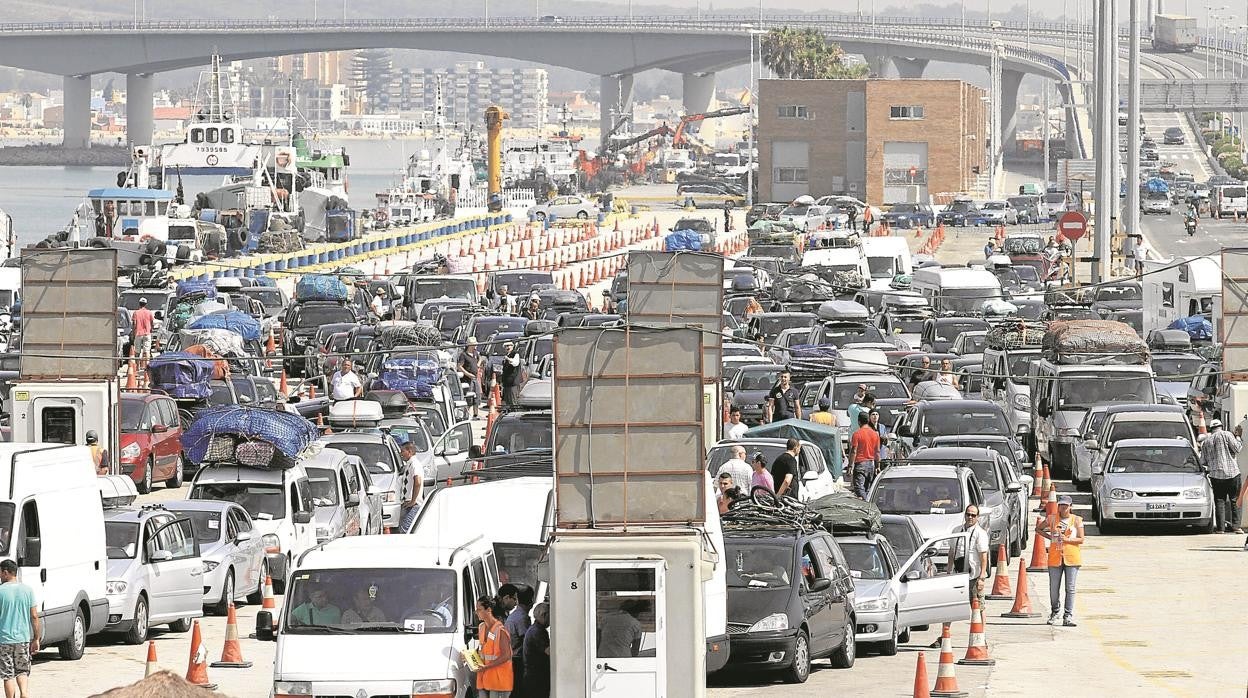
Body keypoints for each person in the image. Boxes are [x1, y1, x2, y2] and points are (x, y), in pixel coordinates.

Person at [1038, 495, 1084, 626]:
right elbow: (1039, 529)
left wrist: (1067, 540)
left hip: (1072, 558)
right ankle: (1055, 611)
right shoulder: (1052, 518)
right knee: (1054, 588)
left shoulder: (1077, 520)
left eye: (1066, 505)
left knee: (1070, 588)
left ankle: (1068, 615)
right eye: (1061, 505)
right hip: (1055, 557)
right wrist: (1050, 537)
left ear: (1070, 506)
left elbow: (1081, 539)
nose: (1063, 508)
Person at [0, 560, 38, 698]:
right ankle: (24, 693)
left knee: (7, 674)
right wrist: (36, 638)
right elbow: (34, 616)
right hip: (22, 638)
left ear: (5, 572)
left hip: (4, 640)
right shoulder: (28, 590)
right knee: (22, 670)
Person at [1201, 419, 1244, 534]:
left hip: (1216, 476)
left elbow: (1203, 461)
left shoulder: (1206, 442)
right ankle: (1236, 527)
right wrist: (1238, 437)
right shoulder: (1227, 435)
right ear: (1221, 426)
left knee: (1219, 501)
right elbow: (1237, 448)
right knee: (1235, 500)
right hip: (1232, 474)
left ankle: (1221, 528)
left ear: (1211, 429)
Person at [474, 596, 514, 698]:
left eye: (479, 609)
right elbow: (482, 651)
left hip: (499, 682)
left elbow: (507, 655)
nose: (476, 612)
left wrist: (487, 667)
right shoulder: (481, 627)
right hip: (484, 680)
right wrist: (469, 657)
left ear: (488, 610)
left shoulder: (500, 630)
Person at [960, 505, 991, 610]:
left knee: (979, 607)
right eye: (968, 514)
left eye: (973, 515)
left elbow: (983, 556)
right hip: (959, 575)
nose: (970, 517)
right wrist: (949, 571)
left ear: (978, 517)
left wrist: (981, 578)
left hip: (974, 577)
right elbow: (952, 552)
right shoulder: (957, 530)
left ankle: (982, 622)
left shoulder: (980, 533)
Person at [504, 585, 532, 693]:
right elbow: (527, 642)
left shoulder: (515, 615)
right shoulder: (522, 618)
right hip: (517, 661)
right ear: (531, 601)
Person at [847, 414, 881, 498]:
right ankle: (867, 502)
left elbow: (854, 451)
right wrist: (877, 466)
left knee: (859, 488)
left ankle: (866, 503)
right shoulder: (875, 434)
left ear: (859, 422)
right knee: (867, 489)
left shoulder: (857, 434)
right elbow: (877, 452)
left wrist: (850, 466)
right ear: (868, 421)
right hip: (871, 464)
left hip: (860, 464)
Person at [522, 602, 551, 698]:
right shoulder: (537, 631)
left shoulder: (535, 629)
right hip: (536, 677)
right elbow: (548, 651)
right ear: (544, 615)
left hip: (533, 676)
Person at [398, 439, 424, 532]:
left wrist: (413, 501)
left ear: (409, 452)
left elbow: (418, 482)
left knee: (406, 530)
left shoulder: (415, 464)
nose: (401, 454)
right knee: (403, 529)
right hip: (407, 503)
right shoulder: (409, 464)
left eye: (403, 451)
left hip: (413, 505)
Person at [459, 338, 484, 418]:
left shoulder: (475, 353)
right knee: (469, 397)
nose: (475, 346)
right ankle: (466, 415)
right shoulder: (463, 355)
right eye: (474, 344)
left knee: (477, 396)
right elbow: (459, 366)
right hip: (467, 380)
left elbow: (480, 358)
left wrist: (478, 364)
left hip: (475, 378)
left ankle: (475, 414)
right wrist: (468, 374)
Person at [131, 297, 155, 363]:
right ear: (146, 304)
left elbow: (134, 324)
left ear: (139, 304)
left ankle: (137, 365)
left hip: (138, 333)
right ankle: (146, 365)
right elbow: (152, 323)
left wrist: (133, 333)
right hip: (147, 333)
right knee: (147, 351)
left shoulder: (136, 313)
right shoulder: (149, 312)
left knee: (137, 351)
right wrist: (151, 330)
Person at [500, 342, 524, 408]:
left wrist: (508, 359)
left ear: (512, 346)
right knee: (508, 402)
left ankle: (515, 413)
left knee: (513, 401)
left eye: (509, 346)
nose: (507, 347)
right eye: (506, 346)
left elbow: (515, 363)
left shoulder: (515, 354)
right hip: (507, 382)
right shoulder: (507, 355)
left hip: (513, 382)